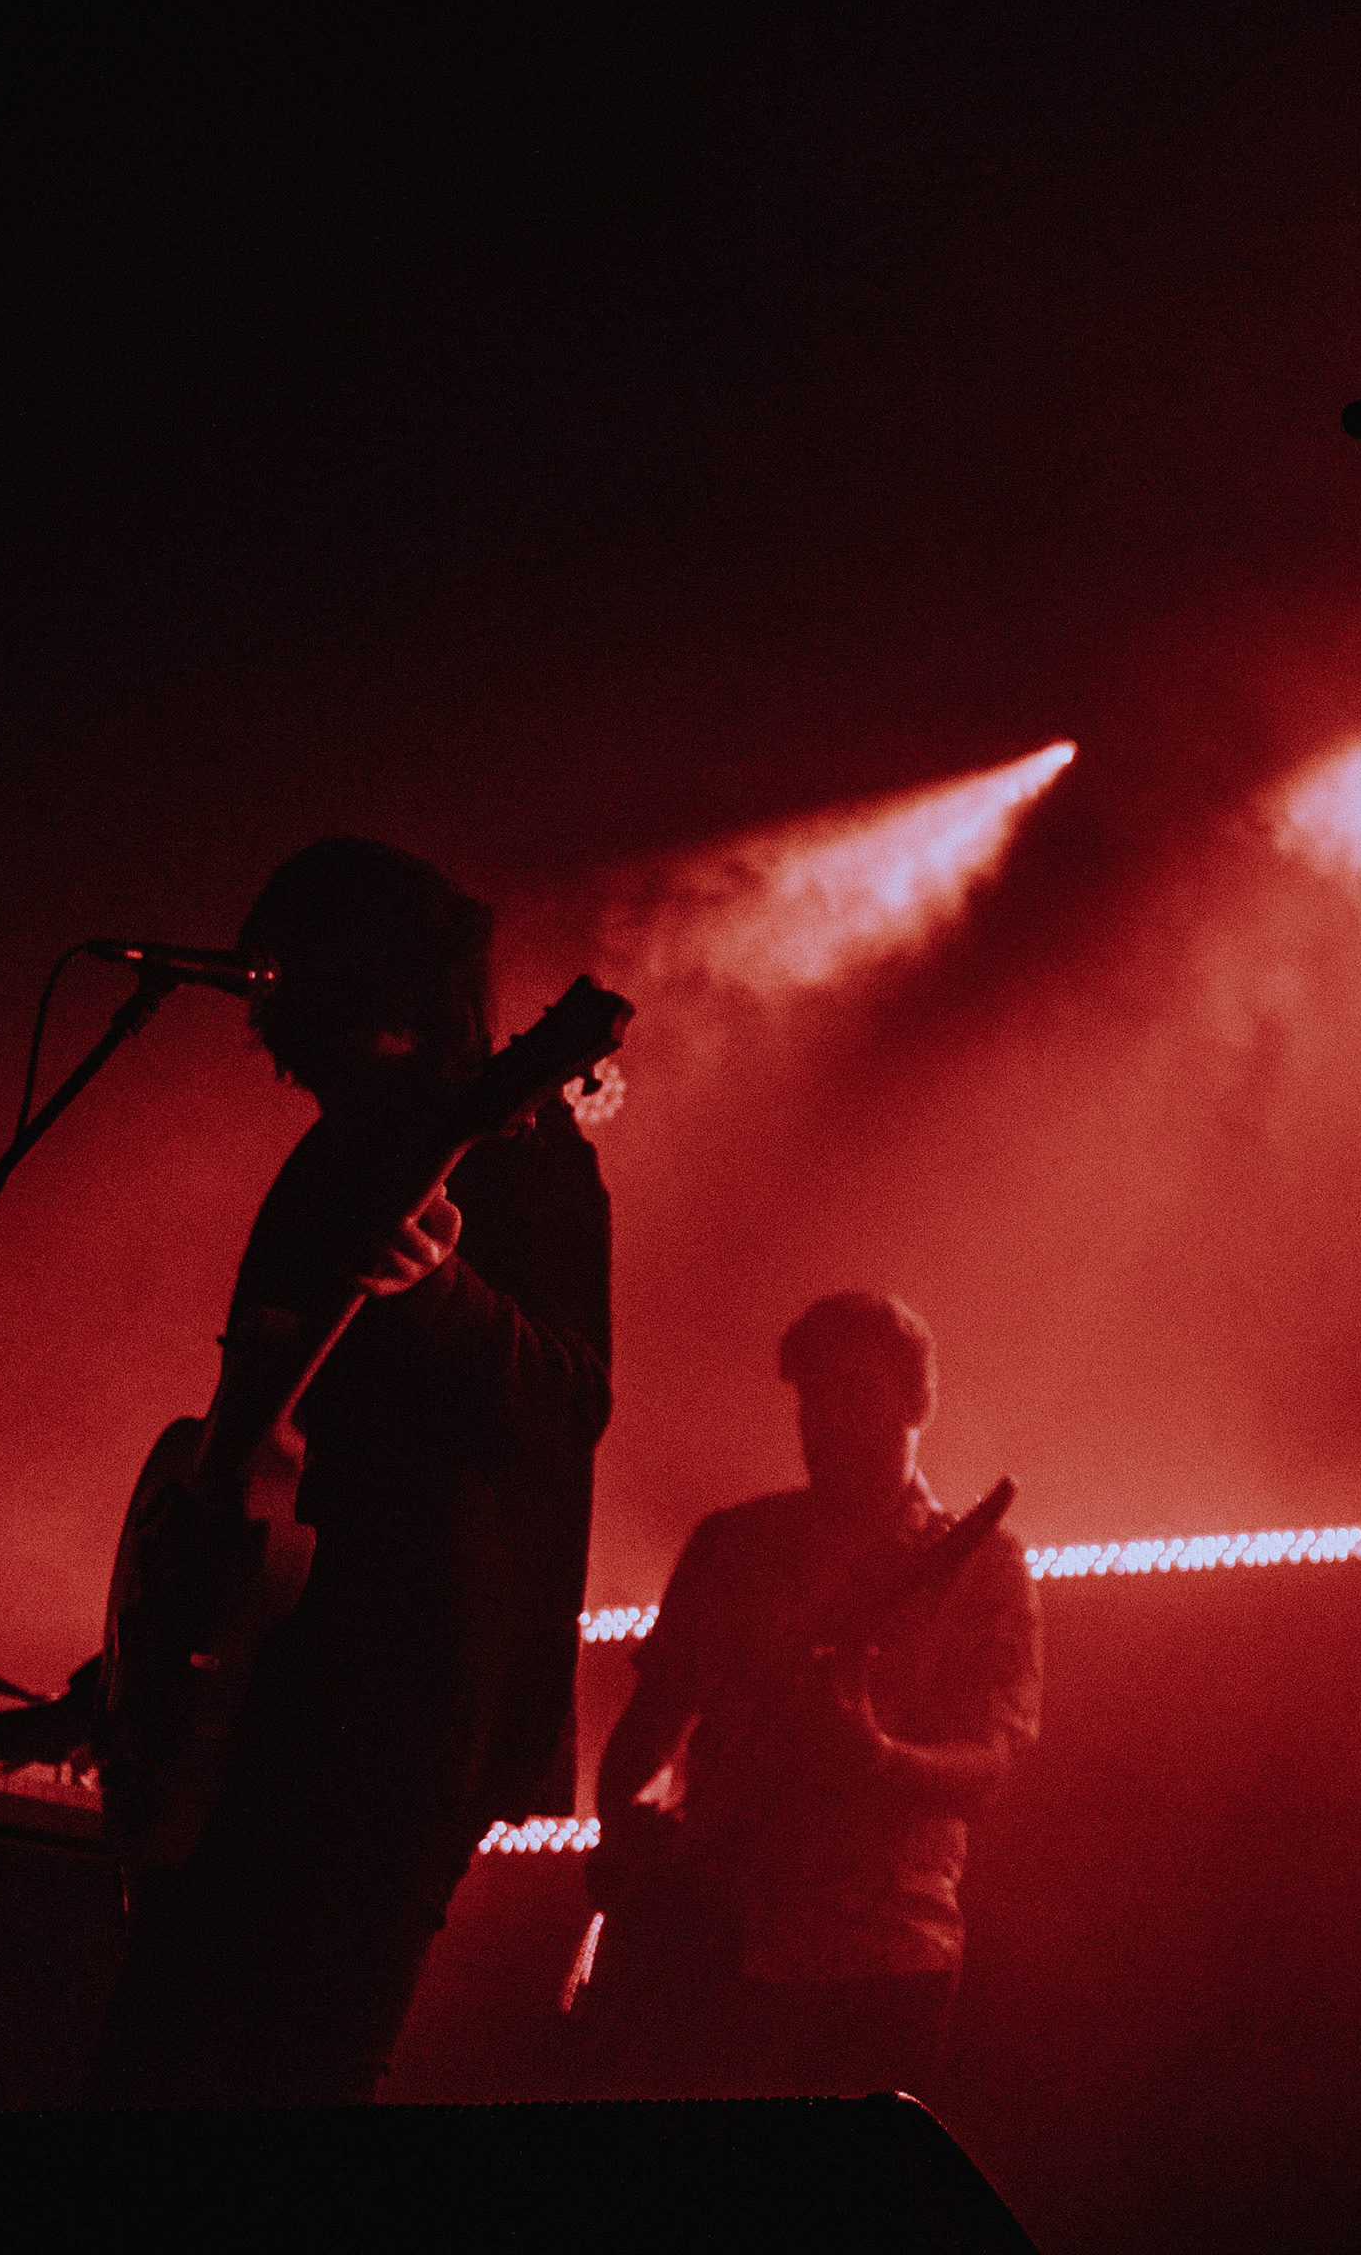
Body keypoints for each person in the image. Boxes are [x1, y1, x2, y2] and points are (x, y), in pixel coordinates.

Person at [69, 836, 615, 2104]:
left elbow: (571, 1401)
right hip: (263, 1704)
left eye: (289, 956)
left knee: (300, 2098)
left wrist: (444, 1291)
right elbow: (242, 1460)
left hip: (404, 1713)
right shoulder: (321, 1161)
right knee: (145, 2094)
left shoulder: (525, 1148)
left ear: (367, 972)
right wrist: (125, 1673)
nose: (262, 991)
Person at [588, 1292, 1040, 2099]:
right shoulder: (732, 1547)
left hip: (883, 1952)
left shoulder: (983, 1565)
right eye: (812, 1397)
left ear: (918, 1402)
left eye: (854, 1392)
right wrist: (636, 1844)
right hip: (719, 1947)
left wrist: (877, 1758)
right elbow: (643, 1737)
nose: (826, 1421)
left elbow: (989, 1765)